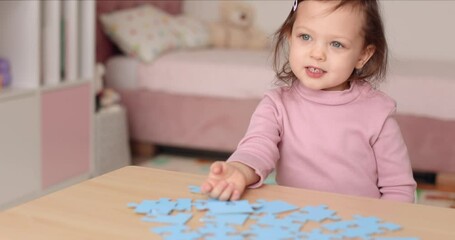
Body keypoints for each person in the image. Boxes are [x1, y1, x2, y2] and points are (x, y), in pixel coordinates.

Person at [201, 0, 416, 203]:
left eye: (336, 44)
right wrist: (239, 170)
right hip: (295, 219)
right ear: (290, 36)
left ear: (362, 55)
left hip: (360, 225)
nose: (317, 53)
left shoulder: (377, 113)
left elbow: (398, 189)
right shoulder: (276, 105)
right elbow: (257, 148)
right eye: (305, 37)